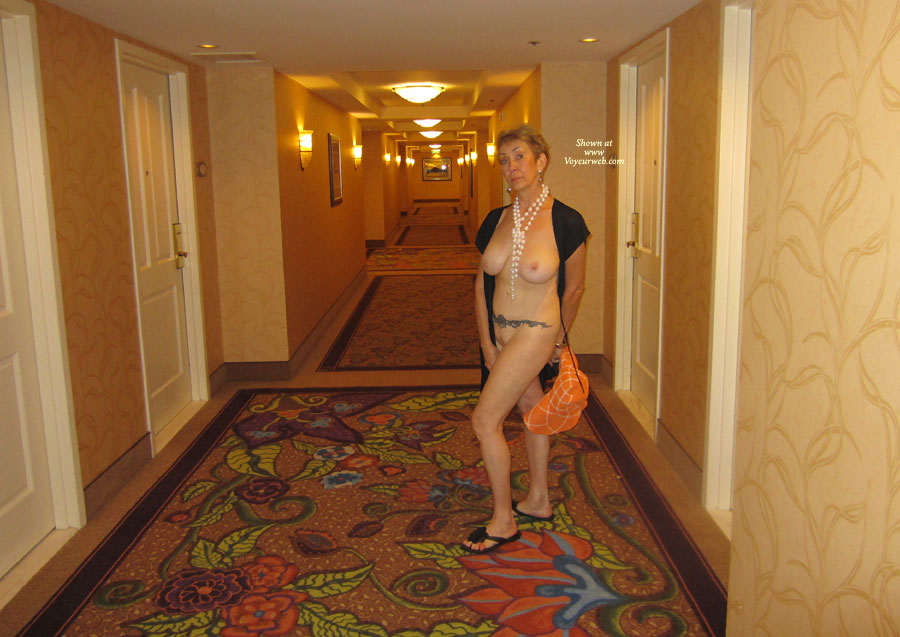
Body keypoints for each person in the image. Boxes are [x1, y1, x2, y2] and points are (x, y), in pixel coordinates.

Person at [464, 124, 589, 553]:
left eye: (519, 156)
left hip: (536, 333)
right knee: (533, 409)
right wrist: (486, 343)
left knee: (485, 421)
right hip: (500, 335)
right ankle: (537, 499)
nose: (511, 167)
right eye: (504, 160)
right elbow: (480, 285)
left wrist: (557, 343)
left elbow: (574, 290)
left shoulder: (566, 221)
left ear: (541, 161)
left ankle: (503, 521)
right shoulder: (495, 220)